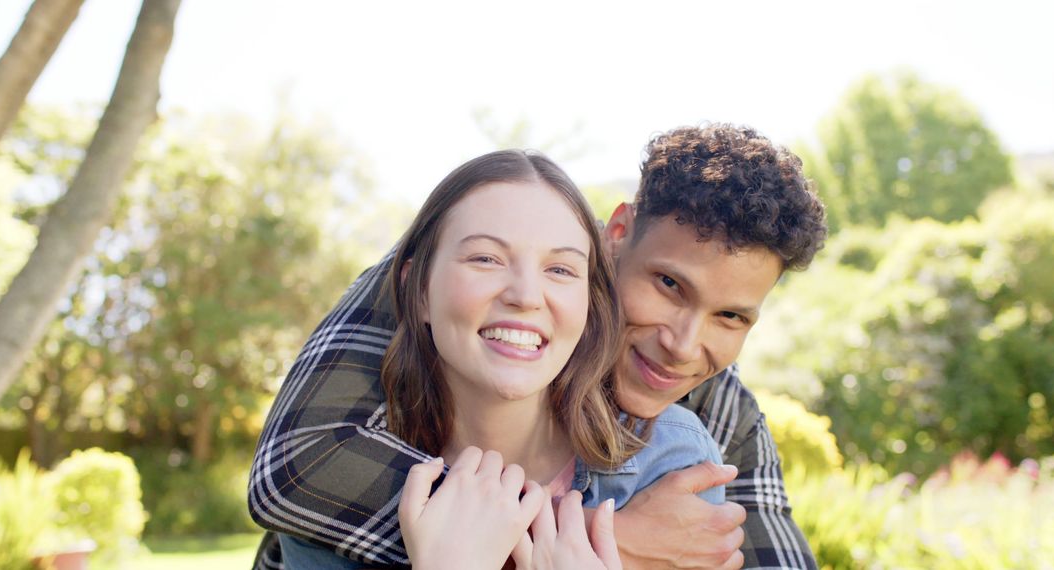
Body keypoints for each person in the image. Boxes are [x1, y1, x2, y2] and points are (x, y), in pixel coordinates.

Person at [250, 123, 828, 569]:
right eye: (668, 285)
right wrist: (603, 544)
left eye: (730, 316)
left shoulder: (717, 419)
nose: (682, 346)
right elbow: (296, 468)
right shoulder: (441, 279)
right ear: (616, 234)